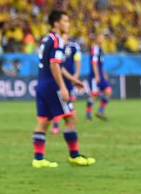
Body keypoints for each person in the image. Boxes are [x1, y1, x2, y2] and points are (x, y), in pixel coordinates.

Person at [32, 9, 96, 168]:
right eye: (65, 21)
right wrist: (63, 87)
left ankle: (38, 159)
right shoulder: (57, 40)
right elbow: (55, 65)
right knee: (71, 118)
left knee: (43, 122)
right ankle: (74, 156)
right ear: (56, 23)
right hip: (53, 86)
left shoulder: (46, 39)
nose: (68, 24)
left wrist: (72, 80)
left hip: (41, 84)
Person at [52, 32, 82, 134]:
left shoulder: (74, 47)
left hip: (69, 80)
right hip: (60, 79)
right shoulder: (57, 49)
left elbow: (78, 60)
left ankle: (67, 125)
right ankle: (56, 126)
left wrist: (76, 76)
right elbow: (59, 67)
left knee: (69, 103)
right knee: (57, 102)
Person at [86, 32, 111, 121]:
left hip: (99, 74)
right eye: (100, 37)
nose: (102, 39)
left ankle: (100, 111)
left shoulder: (100, 49)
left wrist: (103, 73)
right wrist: (97, 75)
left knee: (108, 91)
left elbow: (99, 64)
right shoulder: (95, 48)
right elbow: (94, 63)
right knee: (93, 95)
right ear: (96, 38)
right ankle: (88, 115)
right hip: (94, 75)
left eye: (103, 37)